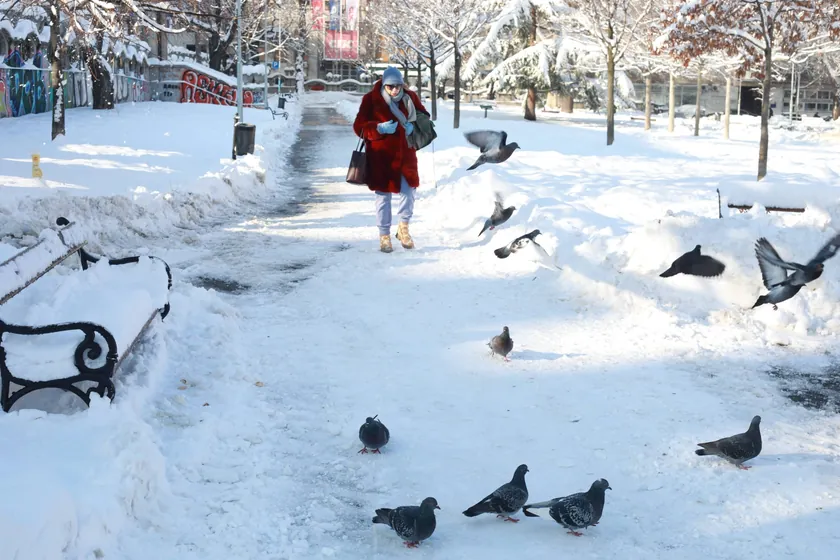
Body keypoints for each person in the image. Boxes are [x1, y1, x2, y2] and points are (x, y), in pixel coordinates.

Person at [353, 66, 429, 253]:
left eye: (398, 86)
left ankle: (403, 229)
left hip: (406, 156)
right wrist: (378, 128)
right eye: (390, 86)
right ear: (384, 85)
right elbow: (358, 126)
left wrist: (415, 125)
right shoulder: (371, 99)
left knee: (408, 193)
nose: (395, 90)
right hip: (381, 158)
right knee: (383, 197)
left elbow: (424, 117)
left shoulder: (410, 97)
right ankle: (384, 235)